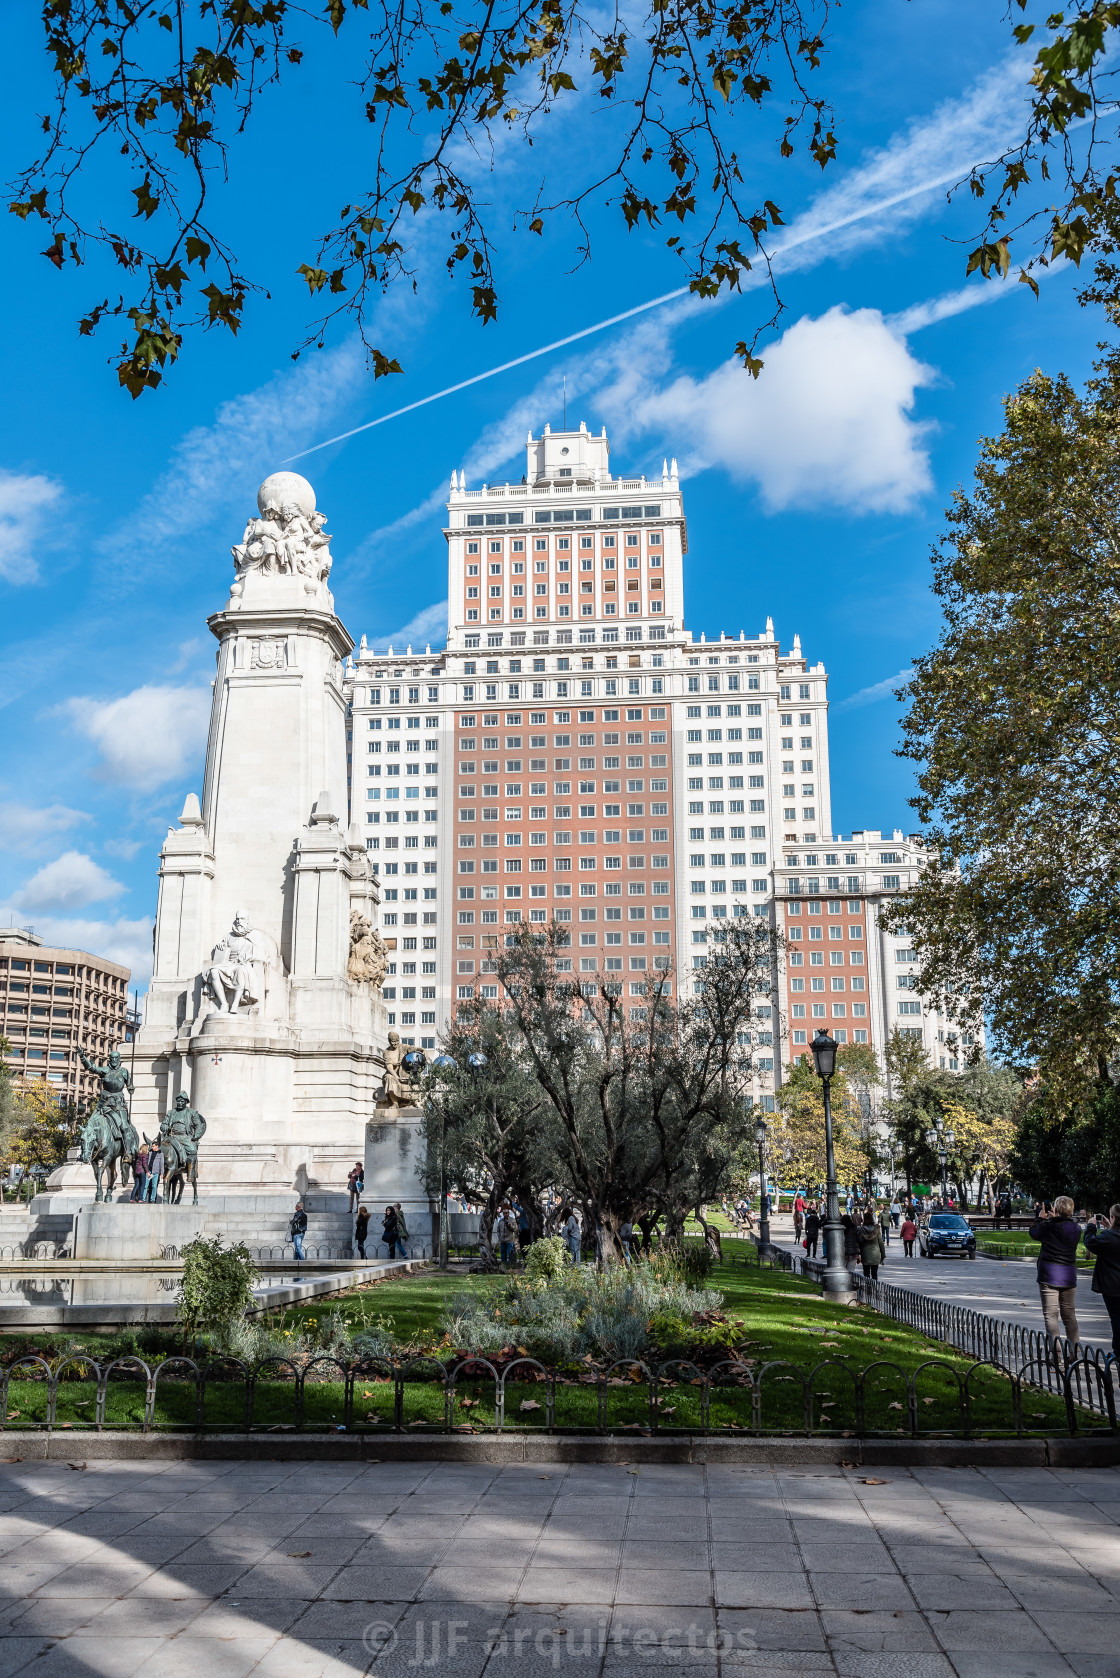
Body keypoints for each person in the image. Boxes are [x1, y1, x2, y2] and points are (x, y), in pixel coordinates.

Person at [1030, 1194, 1082, 1348]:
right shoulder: (1076, 1229)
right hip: (1068, 1276)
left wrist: (1041, 1218)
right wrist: (1054, 1218)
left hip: (1049, 1275)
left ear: (1056, 1210)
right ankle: (1074, 1352)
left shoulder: (1048, 1226)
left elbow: (1034, 1233)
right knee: (1069, 1316)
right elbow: (1061, 1229)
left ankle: (1056, 1355)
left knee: (1051, 1316)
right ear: (1071, 1211)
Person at [1084, 1205, 1120, 1359]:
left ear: (1113, 1217)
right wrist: (1109, 1227)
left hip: (1112, 1286)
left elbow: (1090, 1242)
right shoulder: (1110, 1235)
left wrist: (1091, 1225)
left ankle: (1118, 1352)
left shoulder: (1108, 1238)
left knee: (1117, 1318)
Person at [859, 1211, 885, 1279]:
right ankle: (874, 1287)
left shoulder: (861, 1230)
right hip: (875, 1254)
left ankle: (867, 1287)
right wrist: (883, 1255)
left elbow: (860, 1242)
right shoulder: (876, 1230)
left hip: (865, 1253)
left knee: (866, 1274)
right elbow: (881, 1243)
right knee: (874, 1274)